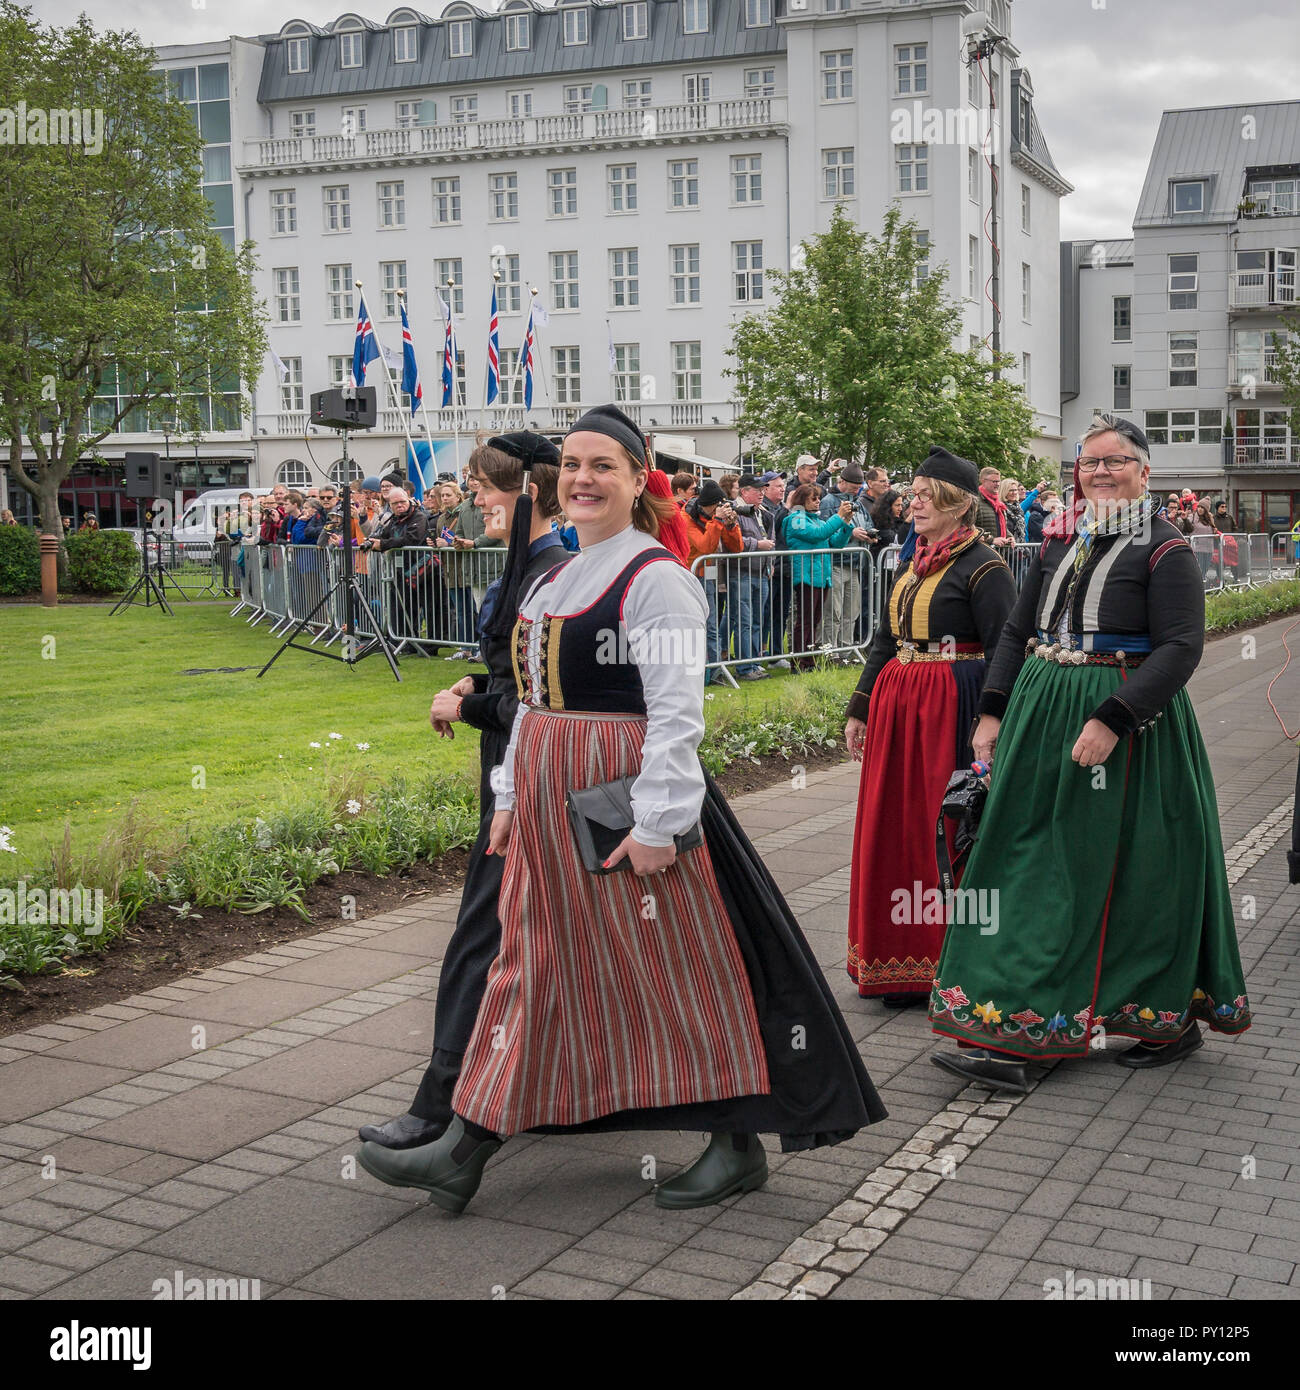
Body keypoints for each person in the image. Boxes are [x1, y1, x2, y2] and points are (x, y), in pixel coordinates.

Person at [355, 403, 885, 1214]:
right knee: (530, 966)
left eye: (604, 465)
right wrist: (506, 799)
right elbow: (531, 702)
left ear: (640, 480)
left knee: (673, 972)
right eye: (571, 464)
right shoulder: (562, 573)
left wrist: (657, 823)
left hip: (615, 796)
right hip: (543, 795)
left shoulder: (658, 579)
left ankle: (736, 1144)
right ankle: (463, 1147)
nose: (583, 478)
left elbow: (678, 714)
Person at [928, 415, 1252, 1092]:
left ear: (1145, 470)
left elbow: (1181, 648)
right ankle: (1019, 1015)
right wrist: (991, 711)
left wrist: (1115, 717)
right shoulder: (1060, 539)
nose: (1099, 473)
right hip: (1042, 711)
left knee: (1117, 870)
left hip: (1128, 725)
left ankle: (1106, 1024)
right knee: (1024, 857)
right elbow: (1019, 630)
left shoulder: (1165, 550)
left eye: (1114, 462)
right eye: (1088, 463)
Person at [358, 434, 571, 1154]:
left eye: (484, 487)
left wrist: (470, 705)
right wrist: (476, 684)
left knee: (482, 934)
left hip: (533, 777)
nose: (475, 499)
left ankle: (439, 1101)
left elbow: (552, 702)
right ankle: (544, 1089)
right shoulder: (531, 568)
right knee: (529, 935)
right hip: (511, 768)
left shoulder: (554, 572)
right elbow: (518, 677)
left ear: (527, 493)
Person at [845, 448, 1016, 1007]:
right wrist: (860, 704)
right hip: (899, 705)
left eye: (924, 495)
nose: (911, 502)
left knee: (939, 829)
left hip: (953, 705)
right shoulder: (910, 556)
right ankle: (896, 959)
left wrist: (990, 720)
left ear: (957, 503)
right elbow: (885, 637)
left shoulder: (985, 567)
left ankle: (945, 959)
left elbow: (1003, 650)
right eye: (911, 493)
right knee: (893, 822)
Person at [784, 483, 853, 671]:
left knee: (814, 621)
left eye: (818, 498)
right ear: (802, 500)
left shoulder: (817, 519)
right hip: (806, 576)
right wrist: (838, 517)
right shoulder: (795, 518)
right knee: (805, 621)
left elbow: (835, 543)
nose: (818, 502)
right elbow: (816, 535)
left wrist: (846, 523)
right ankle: (798, 662)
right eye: (813, 498)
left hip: (821, 576)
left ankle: (809, 660)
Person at [684, 479, 743, 683]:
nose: (720, 509)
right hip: (692, 577)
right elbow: (705, 547)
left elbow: (737, 548)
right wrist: (717, 522)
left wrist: (731, 525)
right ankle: (703, 672)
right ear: (708, 505)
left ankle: (715, 672)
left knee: (712, 626)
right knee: (699, 626)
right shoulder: (687, 518)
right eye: (718, 505)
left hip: (707, 576)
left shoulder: (712, 519)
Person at [818, 463, 876, 656]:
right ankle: (830, 652)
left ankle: (846, 651)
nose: (857, 489)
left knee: (851, 612)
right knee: (833, 612)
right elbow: (826, 530)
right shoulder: (828, 502)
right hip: (835, 563)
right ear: (841, 482)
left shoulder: (857, 502)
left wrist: (868, 534)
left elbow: (868, 522)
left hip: (855, 564)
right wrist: (852, 533)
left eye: (859, 486)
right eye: (853, 486)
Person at [731, 474, 776, 679]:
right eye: (757, 490)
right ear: (744, 491)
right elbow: (732, 540)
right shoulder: (734, 510)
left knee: (757, 620)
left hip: (761, 573)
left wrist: (770, 563)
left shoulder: (763, 513)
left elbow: (771, 539)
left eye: (762, 490)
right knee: (745, 620)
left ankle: (754, 663)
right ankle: (744, 667)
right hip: (742, 572)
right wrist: (756, 545)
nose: (761, 493)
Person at [759, 471, 792, 668]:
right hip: (770, 568)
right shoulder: (765, 508)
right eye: (778, 486)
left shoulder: (782, 508)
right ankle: (760, 653)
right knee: (765, 613)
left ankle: (776, 653)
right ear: (765, 489)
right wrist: (787, 507)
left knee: (782, 613)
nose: (782, 489)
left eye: (783, 485)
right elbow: (772, 524)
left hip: (785, 566)